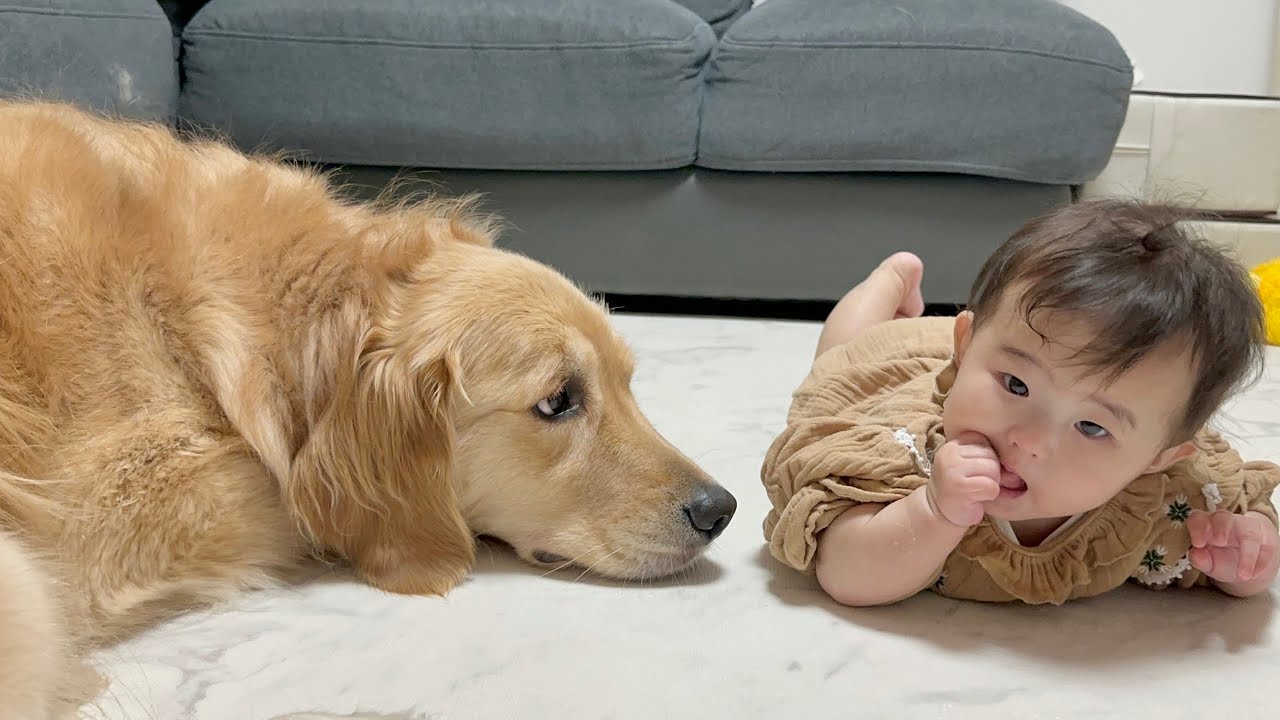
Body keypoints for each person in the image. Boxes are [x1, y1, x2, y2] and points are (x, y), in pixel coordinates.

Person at [760, 198, 1280, 606]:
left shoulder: (1167, 500)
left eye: (1092, 427)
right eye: (1015, 386)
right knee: (845, 356)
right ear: (965, 348)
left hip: (1019, 352)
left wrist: (1246, 559)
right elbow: (843, 574)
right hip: (902, 373)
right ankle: (889, 280)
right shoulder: (907, 460)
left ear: (1157, 458)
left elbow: (1245, 513)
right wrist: (933, 512)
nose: (1028, 441)